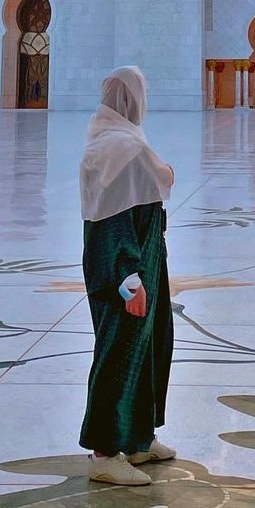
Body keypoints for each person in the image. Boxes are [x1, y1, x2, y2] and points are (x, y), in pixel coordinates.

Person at [79, 66, 176, 486]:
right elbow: (109, 223)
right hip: (126, 270)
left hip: (146, 261)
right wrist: (128, 279)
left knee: (148, 348)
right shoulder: (120, 147)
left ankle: (138, 438)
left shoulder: (116, 140)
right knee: (118, 354)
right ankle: (104, 452)